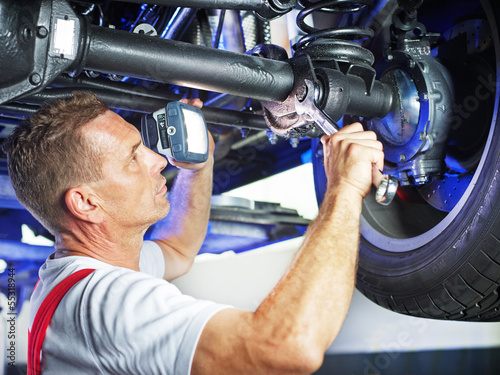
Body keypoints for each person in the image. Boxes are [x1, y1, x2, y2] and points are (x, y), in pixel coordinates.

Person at [3, 92, 384, 374]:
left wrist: (197, 167)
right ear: (86, 203)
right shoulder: (108, 303)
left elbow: (178, 247)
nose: (157, 160)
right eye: (133, 157)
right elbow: (287, 348)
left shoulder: (75, 276)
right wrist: (344, 190)